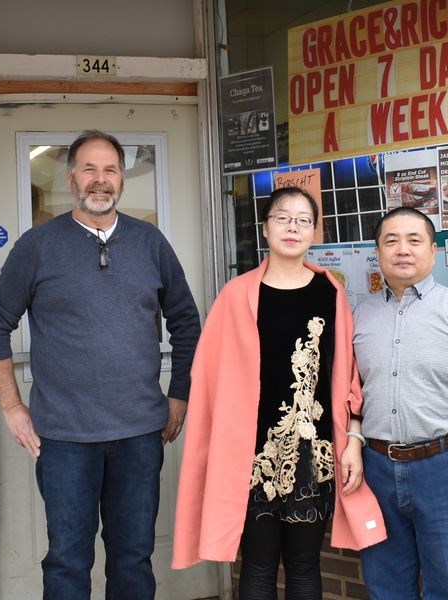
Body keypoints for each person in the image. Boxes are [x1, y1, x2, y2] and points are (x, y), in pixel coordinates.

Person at [0, 129, 200, 600]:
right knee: (67, 562)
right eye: (90, 169)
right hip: (64, 439)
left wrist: (180, 394)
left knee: (133, 558)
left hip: (140, 434)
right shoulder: (38, 245)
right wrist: (13, 408)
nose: (101, 180)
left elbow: (185, 321)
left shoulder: (149, 242)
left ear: (122, 179)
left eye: (111, 170)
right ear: (72, 177)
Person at [172, 187, 386, 599]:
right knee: (257, 565)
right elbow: (209, 375)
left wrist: (352, 438)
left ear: (313, 233)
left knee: (305, 565)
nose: (292, 226)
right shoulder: (237, 295)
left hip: (313, 449)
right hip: (250, 454)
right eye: (282, 217)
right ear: (265, 229)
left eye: (303, 219)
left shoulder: (330, 292)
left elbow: (346, 374)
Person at [353, 207, 448, 599]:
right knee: (385, 586)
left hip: (443, 469)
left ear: (433, 252)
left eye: (414, 240)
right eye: (391, 240)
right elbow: (349, 393)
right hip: (377, 467)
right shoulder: (360, 315)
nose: (402, 249)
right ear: (378, 251)